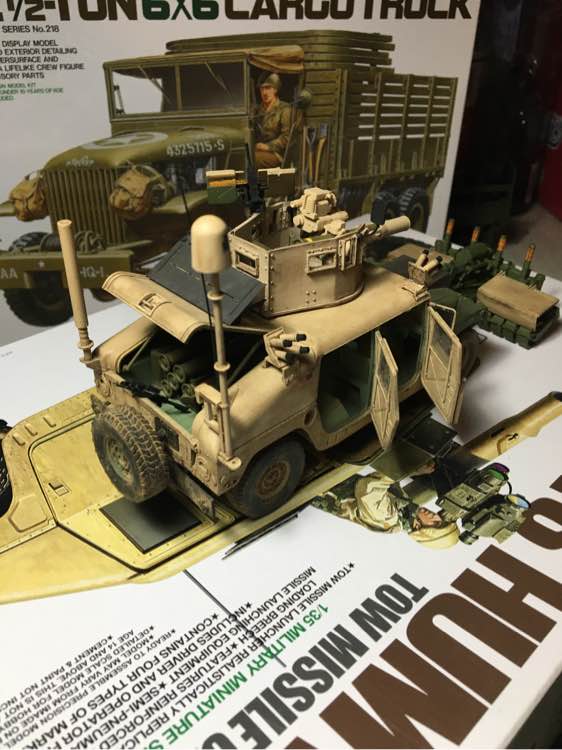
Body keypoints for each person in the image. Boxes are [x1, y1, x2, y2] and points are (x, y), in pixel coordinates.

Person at [313, 471, 459, 550]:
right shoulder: (404, 510)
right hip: (327, 475)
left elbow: (368, 487)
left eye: (436, 524)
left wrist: (406, 469)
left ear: (418, 527)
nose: (435, 517)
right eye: (440, 520)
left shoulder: (388, 518)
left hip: (317, 482)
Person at [253, 73, 293, 169]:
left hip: (276, 154)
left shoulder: (284, 109)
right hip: (258, 151)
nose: (264, 92)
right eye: (262, 89)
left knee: (252, 159)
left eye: (268, 88)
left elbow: (286, 137)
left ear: (275, 89)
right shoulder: (257, 110)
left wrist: (268, 146)